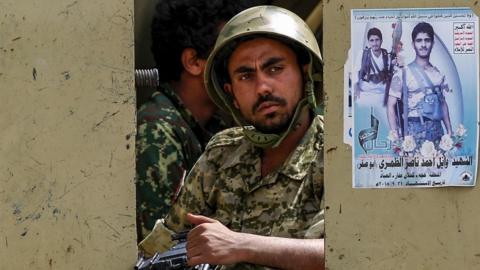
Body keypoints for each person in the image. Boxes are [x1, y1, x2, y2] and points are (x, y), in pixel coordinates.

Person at [138, 5, 325, 270]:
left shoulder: (336, 154)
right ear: (231, 93)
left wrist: (240, 245)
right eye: (246, 76)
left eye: (275, 69)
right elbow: (158, 250)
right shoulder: (221, 154)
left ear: (304, 73)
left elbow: (348, 251)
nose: (262, 88)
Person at [135, 0, 255, 241]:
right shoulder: (157, 132)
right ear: (194, 62)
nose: (244, 61)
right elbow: (157, 247)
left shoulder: (212, 126)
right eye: (230, 47)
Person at [387, 22, 452, 147]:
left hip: (437, 131)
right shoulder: (402, 73)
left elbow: (443, 103)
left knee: (438, 166)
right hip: (413, 132)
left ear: (432, 43)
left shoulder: (439, 74)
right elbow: (391, 105)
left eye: (427, 40)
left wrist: (449, 130)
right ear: (413, 44)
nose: (423, 45)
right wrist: (396, 136)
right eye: (419, 41)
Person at [354, 27, 391, 137]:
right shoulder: (363, 54)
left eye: (377, 40)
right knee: (364, 121)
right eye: (372, 40)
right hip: (365, 91)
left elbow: (391, 73)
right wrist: (356, 87)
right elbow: (356, 70)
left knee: (383, 122)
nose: (375, 43)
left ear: (381, 41)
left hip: (381, 93)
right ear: (368, 42)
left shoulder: (386, 55)